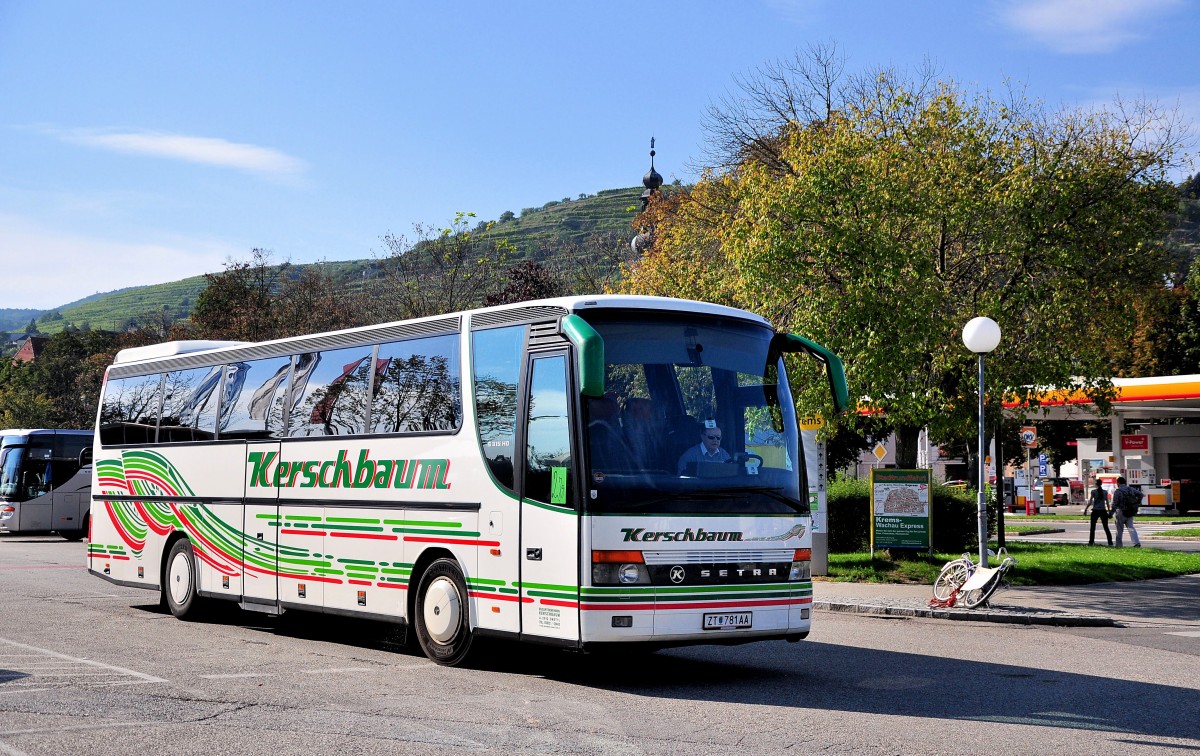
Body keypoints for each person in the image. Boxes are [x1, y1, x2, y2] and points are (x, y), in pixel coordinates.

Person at [1112, 476, 1143, 548]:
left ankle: (1119, 545)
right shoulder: (1131, 489)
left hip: (1121, 511)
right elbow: (1141, 494)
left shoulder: (1118, 491)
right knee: (1131, 527)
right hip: (1130, 510)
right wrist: (1138, 502)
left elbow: (1115, 503)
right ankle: (1136, 543)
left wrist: (1111, 512)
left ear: (1118, 483)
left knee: (1119, 529)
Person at [1084, 477, 1112, 546]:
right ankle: (1110, 542)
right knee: (1106, 527)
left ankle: (1091, 542)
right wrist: (1109, 511)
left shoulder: (1093, 492)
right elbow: (1107, 503)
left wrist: (1086, 509)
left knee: (1092, 527)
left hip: (1095, 511)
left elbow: (1090, 501)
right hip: (1103, 511)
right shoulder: (1105, 492)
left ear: (1096, 484)